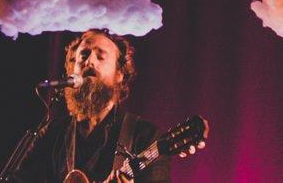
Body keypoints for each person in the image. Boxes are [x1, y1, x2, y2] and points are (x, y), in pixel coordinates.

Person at [11, 29, 198, 182]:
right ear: (71, 69)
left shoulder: (144, 137)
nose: (89, 61)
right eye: (83, 55)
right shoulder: (51, 133)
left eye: (100, 57)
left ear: (120, 74)